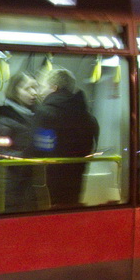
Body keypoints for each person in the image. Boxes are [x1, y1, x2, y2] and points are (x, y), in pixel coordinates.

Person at [32, 69, 99, 208]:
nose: (39, 92)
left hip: (48, 183)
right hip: (77, 180)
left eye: (42, 87)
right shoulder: (88, 117)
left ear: (54, 88)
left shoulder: (45, 113)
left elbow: (38, 149)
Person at [0, 74, 41, 212]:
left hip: (29, 181)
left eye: (35, 87)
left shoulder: (35, 115)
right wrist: (26, 157)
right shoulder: (3, 118)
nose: (34, 92)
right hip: (11, 183)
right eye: (28, 88)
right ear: (15, 90)